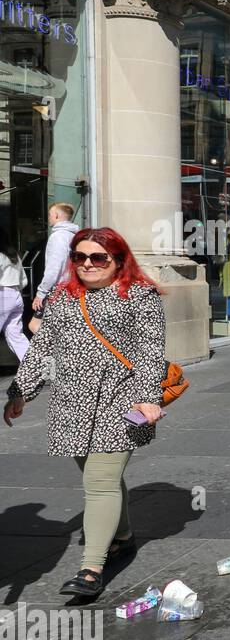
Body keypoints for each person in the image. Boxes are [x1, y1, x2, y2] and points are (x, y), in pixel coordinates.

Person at [4, 227, 166, 598]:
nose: (88, 264)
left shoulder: (139, 295)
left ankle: (91, 569)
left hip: (120, 400)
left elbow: (150, 350)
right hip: (71, 403)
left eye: (98, 257)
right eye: (80, 257)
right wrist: (20, 392)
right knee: (98, 475)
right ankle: (122, 535)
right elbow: (42, 348)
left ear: (118, 259)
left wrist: (147, 396)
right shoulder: (62, 296)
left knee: (100, 482)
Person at [33, 202, 79, 317]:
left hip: (58, 292)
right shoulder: (74, 236)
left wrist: (41, 292)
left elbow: (54, 268)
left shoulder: (58, 237)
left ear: (56, 215)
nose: (48, 218)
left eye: (50, 214)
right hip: (71, 290)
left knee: (37, 326)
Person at [0, 229, 29, 362]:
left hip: (3, 295)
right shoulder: (14, 256)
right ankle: (33, 367)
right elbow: (24, 280)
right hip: (16, 295)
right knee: (16, 336)